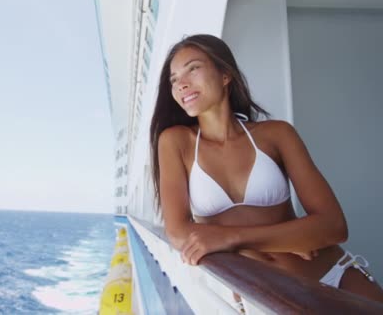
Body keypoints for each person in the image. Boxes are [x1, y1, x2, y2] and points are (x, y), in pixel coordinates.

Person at [149, 34, 383, 302]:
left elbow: (333, 226)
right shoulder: (176, 142)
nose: (182, 84)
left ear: (225, 75)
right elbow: (179, 234)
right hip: (261, 297)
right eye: (174, 79)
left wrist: (231, 239)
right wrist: (293, 237)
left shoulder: (276, 134)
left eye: (193, 68)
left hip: (332, 275)